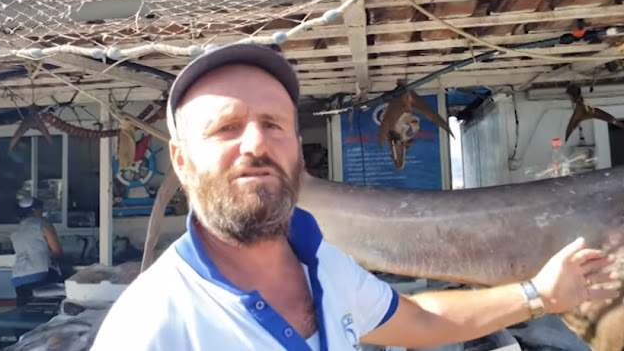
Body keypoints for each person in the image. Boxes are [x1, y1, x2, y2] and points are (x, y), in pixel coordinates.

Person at [91, 43, 618, 350]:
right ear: (182, 163)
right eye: (226, 128)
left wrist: (541, 295)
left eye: (273, 124)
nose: (256, 144)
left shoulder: (324, 266)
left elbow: (417, 320)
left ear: (297, 148)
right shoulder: (149, 326)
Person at [10, 196, 64, 306]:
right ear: (35, 210)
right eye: (40, 208)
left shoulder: (16, 230)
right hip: (40, 274)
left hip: (18, 277)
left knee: (23, 311)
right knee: (45, 309)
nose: (42, 211)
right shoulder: (43, 225)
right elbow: (57, 251)